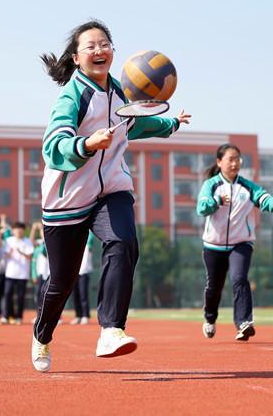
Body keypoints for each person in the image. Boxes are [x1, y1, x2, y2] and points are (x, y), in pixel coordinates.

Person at [32, 20, 191, 371]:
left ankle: (111, 329)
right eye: (91, 46)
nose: (99, 50)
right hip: (67, 199)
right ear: (76, 58)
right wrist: (86, 143)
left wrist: (172, 124)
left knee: (123, 242)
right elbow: (52, 146)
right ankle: (42, 335)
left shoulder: (121, 93)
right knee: (62, 281)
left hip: (111, 190)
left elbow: (136, 123)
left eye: (105, 43)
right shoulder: (72, 96)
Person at [196, 143, 273, 341]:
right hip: (214, 245)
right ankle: (210, 318)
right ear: (219, 162)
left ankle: (244, 323)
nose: (235, 163)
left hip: (241, 244)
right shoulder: (211, 185)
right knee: (214, 286)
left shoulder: (247, 186)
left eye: (238, 159)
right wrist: (216, 202)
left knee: (239, 278)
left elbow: (265, 199)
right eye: (231, 159)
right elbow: (202, 208)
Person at [2, 222, 34, 325]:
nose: (18, 231)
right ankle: (7, 316)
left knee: (21, 296)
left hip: (22, 274)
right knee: (7, 294)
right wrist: (9, 252)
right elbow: (5, 255)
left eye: (20, 229)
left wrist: (21, 253)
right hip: (10, 273)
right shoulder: (9, 241)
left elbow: (30, 256)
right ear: (13, 231)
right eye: (16, 229)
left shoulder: (27, 241)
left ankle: (19, 317)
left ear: (23, 231)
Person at [70, 233, 94, 325]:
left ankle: (85, 315)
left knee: (83, 294)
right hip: (74, 272)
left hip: (84, 271)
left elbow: (90, 236)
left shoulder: (88, 242)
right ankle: (78, 316)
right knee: (75, 295)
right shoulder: (74, 244)